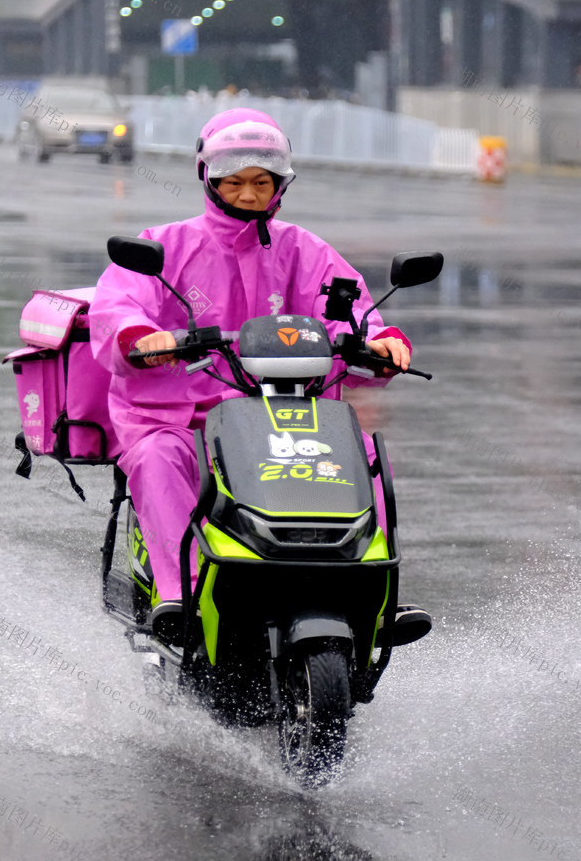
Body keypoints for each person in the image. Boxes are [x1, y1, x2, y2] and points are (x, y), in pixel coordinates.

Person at [90, 108, 430, 644]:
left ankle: (372, 592)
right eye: (234, 182)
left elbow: (351, 317)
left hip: (287, 412)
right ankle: (183, 594)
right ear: (209, 180)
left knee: (362, 454)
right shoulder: (165, 245)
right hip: (181, 418)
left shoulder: (307, 251)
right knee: (158, 459)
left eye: (261, 183)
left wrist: (380, 343)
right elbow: (118, 306)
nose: (248, 195)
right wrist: (143, 338)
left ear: (279, 185)